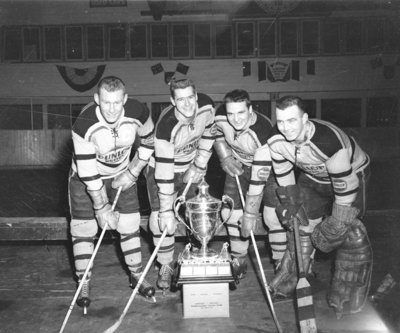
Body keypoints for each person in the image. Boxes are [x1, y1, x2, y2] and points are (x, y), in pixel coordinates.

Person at [268, 95, 372, 318]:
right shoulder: (276, 140)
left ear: (305, 118)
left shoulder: (328, 140)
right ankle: (293, 280)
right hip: (313, 177)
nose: (285, 128)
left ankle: (345, 293)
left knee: (350, 234)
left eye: (292, 121)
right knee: (300, 224)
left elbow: (345, 186)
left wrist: (337, 220)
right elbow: (284, 174)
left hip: (351, 176)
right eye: (281, 121)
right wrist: (292, 203)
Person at [69, 76, 155, 311]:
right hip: (86, 178)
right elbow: (88, 172)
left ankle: (136, 274)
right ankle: (83, 281)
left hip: (121, 173)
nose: (112, 109)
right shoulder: (84, 123)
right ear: (97, 99)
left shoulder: (138, 111)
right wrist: (101, 206)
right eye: (106, 103)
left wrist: (134, 171)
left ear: (125, 99)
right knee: (84, 228)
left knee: (130, 224)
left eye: (117, 103)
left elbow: (149, 140)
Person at [145, 78, 215, 292]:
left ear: (196, 95)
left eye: (190, 98)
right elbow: (164, 172)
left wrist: (199, 163)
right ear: (172, 101)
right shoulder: (166, 126)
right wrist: (166, 209)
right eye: (180, 100)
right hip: (162, 170)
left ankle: (196, 259)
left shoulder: (207, 106)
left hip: (191, 167)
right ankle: (165, 264)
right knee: (161, 220)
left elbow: (209, 133)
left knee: (198, 213)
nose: (187, 104)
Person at [213, 89, 286, 282]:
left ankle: (281, 263)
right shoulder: (220, 116)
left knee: (273, 218)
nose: (235, 119)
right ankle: (238, 259)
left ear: (250, 109)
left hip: (268, 171)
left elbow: (258, 177)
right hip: (238, 166)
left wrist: (251, 213)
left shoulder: (263, 131)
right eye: (231, 114)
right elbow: (213, 132)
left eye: (241, 113)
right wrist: (225, 156)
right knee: (229, 213)